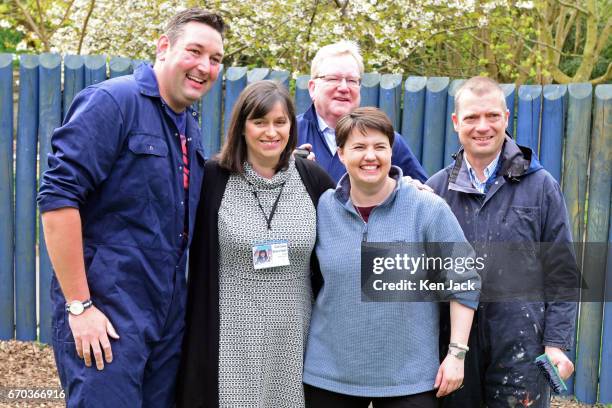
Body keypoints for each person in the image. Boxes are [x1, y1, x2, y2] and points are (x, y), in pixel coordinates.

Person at [36, 8, 225, 407]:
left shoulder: (188, 127)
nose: (205, 67)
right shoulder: (113, 102)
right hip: (107, 317)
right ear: (163, 47)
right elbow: (57, 200)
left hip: (167, 320)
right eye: (195, 51)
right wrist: (80, 306)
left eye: (216, 59)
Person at [303, 107, 480, 407]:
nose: (370, 156)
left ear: (391, 152)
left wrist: (456, 354)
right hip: (329, 375)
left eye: (379, 147)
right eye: (359, 147)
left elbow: (464, 280)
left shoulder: (427, 208)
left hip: (408, 378)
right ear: (342, 154)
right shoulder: (323, 208)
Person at [177, 80, 335, 408]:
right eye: (260, 122)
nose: (270, 132)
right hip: (229, 337)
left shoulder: (312, 179)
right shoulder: (213, 179)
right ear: (242, 127)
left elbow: (353, 218)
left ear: (292, 126)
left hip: (295, 336)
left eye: (280, 122)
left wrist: (405, 185)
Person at [426, 76, 577, 408]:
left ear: (506, 118)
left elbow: (562, 271)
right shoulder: (437, 191)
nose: (483, 126)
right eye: (471, 117)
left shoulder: (540, 186)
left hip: (522, 345)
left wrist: (556, 343)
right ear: (456, 122)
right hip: (453, 346)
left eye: (492, 116)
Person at [297, 41, 427, 183]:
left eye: (352, 80)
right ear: (312, 88)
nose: (344, 87)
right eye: (333, 79)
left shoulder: (387, 141)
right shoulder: (289, 135)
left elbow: (425, 193)